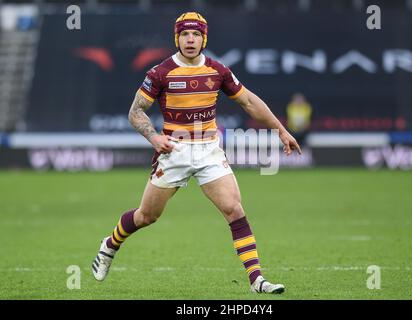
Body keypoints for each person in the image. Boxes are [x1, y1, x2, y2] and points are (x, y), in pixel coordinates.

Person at [91, 12, 301, 294]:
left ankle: (256, 280)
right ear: (177, 38)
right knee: (146, 216)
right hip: (174, 152)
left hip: (208, 151)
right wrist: (154, 137)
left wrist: (280, 130)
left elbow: (249, 102)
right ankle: (110, 245)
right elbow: (135, 112)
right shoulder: (160, 73)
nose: (191, 40)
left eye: (196, 34)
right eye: (185, 35)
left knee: (234, 210)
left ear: (204, 38)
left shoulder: (218, 71)